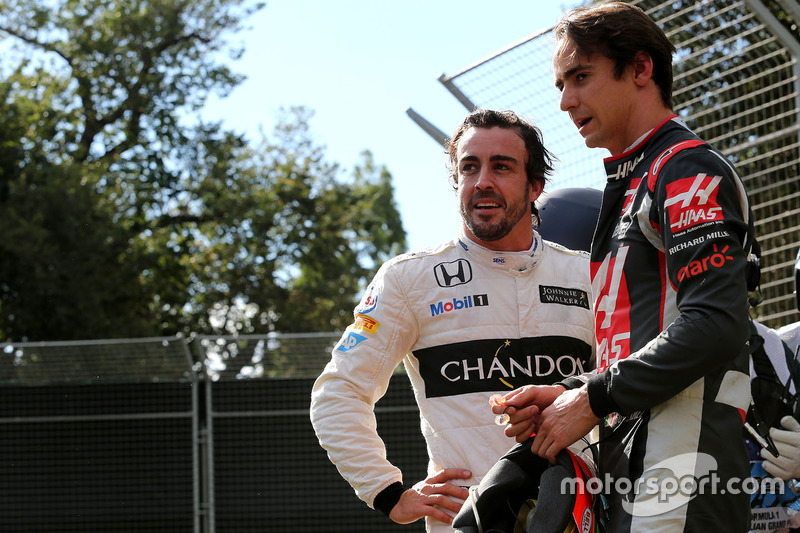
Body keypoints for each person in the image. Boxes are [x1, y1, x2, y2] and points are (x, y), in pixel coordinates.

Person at [494, 3, 758, 532]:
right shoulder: (635, 177)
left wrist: (592, 398)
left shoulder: (683, 168)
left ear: (640, 70)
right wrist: (575, 391)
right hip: (638, 457)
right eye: (561, 85)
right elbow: (646, 342)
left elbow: (716, 323)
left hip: (684, 463)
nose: (567, 101)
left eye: (581, 77)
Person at [310, 109, 596, 532]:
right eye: (469, 167)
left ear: (535, 185)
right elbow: (338, 394)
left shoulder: (589, 275)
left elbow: (631, 386)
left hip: (583, 516)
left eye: (501, 166)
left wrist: (568, 400)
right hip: (467, 523)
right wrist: (389, 494)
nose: (482, 181)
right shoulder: (410, 279)